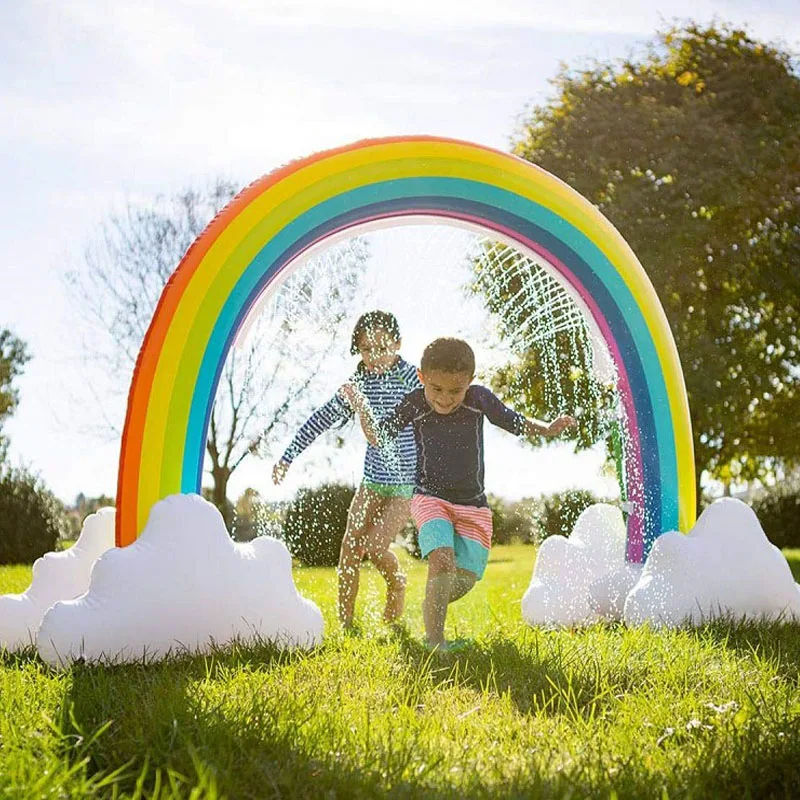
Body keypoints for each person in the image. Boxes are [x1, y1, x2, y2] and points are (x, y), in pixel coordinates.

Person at [342, 337, 576, 650]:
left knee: (463, 579)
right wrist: (360, 405)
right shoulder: (415, 402)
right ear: (422, 378)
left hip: (473, 505)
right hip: (429, 498)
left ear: (470, 381)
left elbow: (511, 421)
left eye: (455, 390)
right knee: (442, 559)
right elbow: (377, 436)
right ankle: (436, 643)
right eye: (436, 388)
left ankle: (429, 604)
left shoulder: (478, 399)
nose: (445, 398)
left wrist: (547, 428)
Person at [252, 311, 420, 629]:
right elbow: (320, 419)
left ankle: (397, 583)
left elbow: (435, 406)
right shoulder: (358, 385)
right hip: (372, 481)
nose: (374, 357)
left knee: (375, 546)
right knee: (350, 545)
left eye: (383, 347)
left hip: (405, 485)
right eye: (366, 349)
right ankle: (346, 624)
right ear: (358, 350)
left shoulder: (410, 377)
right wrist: (287, 456)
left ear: (398, 344)